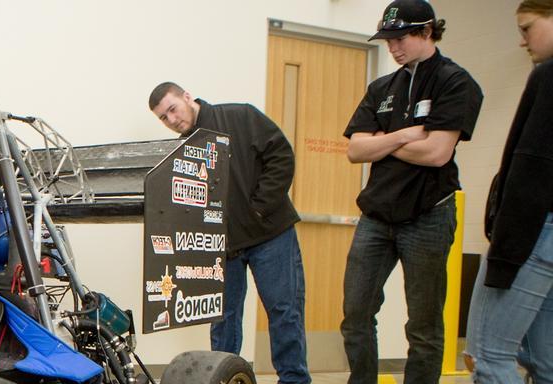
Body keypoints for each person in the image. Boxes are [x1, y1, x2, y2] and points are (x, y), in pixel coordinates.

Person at [340, 0, 483, 382]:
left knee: (423, 324)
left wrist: (381, 141)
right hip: (376, 216)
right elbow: (355, 150)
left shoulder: (455, 82)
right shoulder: (382, 87)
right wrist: (404, 135)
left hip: (428, 214)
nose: (392, 48)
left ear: (426, 31)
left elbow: (437, 153)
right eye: (387, 41)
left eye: (400, 38)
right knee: (355, 314)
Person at [148, 82, 310, 384]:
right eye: (163, 118)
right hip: (220, 248)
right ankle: (223, 379)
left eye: (172, 109)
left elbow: (282, 157)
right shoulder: (180, 150)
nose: (171, 120)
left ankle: (295, 380)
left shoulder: (240, 116)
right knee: (222, 321)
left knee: (284, 312)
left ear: (187, 96)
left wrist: (259, 208)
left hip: (270, 235)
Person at [465, 1, 553, 382]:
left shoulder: (548, 76)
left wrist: (504, 251)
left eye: (527, 28)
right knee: (546, 362)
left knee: (489, 355)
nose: (522, 41)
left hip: (532, 234)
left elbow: (532, 169)